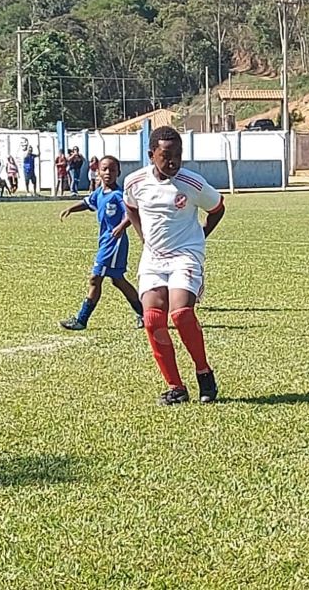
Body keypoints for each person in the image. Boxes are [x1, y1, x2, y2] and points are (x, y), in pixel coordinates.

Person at [123, 126, 226, 406]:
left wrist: (200, 236)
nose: (173, 162)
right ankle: (176, 387)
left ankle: (204, 373)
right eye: (166, 156)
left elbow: (217, 208)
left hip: (185, 256)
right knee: (154, 319)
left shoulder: (192, 184)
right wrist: (142, 236)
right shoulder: (134, 182)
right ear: (151, 155)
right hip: (153, 258)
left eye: (178, 155)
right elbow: (130, 207)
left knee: (180, 314)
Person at [59, 155, 145, 331]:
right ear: (97, 171)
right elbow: (87, 203)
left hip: (115, 242)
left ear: (118, 173)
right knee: (117, 280)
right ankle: (144, 314)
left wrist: (121, 227)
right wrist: (70, 209)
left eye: (112, 170)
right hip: (105, 241)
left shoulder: (118, 195)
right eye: (104, 169)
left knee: (95, 278)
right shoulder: (99, 192)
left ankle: (81, 320)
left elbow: (131, 212)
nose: (108, 173)